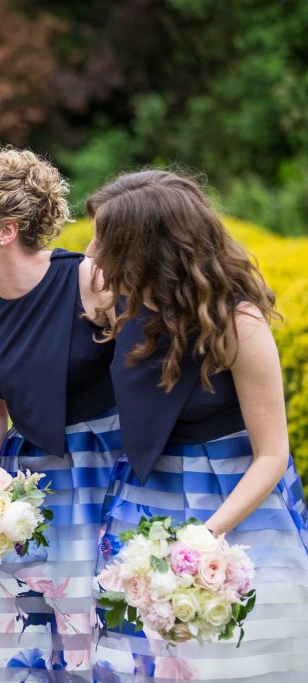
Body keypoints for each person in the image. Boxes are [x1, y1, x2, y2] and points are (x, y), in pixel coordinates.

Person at [86, 170, 308, 681]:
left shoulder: (237, 323)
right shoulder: (119, 305)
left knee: (235, 659)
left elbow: (272, 453)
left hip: (233, 502)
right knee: (140, 660)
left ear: (148, 250)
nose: (92, 255)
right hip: (145, 502)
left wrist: (203, 540)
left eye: (105, 242)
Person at [0, 147, 120, 677]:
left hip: (109, 471)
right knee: (28, 626)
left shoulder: (90, 280)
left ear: (7, 230)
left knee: (105, 622)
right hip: (31, 480)